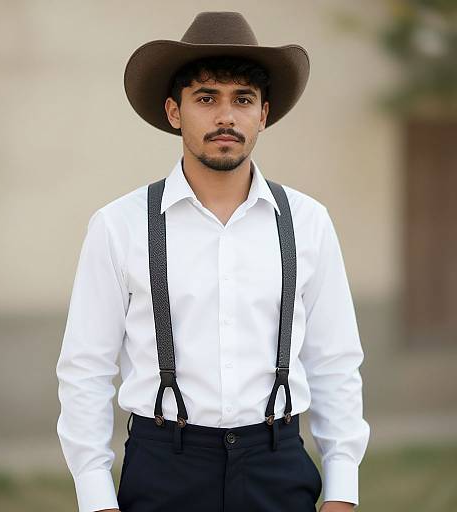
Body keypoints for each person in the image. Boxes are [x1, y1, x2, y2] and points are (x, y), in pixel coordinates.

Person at [56, 11, 370, 512]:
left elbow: (335, 362)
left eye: (242, 99)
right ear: (174, 112)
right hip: (164, 468)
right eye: (206, 98)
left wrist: (342, 490)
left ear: (263, 114)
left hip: (277, 464)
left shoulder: (307, 222)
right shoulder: (119, 225)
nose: (226, 116)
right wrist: (96, 496)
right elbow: (85, 369)